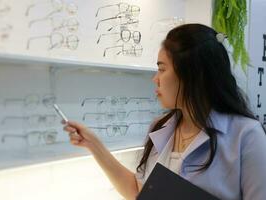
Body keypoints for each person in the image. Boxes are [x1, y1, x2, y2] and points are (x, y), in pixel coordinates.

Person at [62, 24, 266, 200]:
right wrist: (93, 144)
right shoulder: (160, 127)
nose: (155, 79)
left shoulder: (246, 135)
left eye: (162, 69)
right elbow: (137, 191)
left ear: (193, 74)